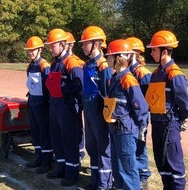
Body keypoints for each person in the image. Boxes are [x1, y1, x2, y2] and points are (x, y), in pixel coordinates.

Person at [145, 30, 188, 190]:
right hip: (157, 124)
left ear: (164, 51)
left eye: (154, 50)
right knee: (162, 164)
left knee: (175, 165)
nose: (151, 53)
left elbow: (186, 105)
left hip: (169, 125)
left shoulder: (175, 75)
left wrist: (177, 120)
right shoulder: (156, 73)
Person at [104, 39, 149, 190]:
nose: (107, 59)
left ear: (119, 58)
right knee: (118, 168)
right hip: (116, 129)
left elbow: (141, 107)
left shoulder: (128, 79)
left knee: (128, 170)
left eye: (109, 56)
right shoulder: (115, 78)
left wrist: (141, 128)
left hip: (126, 131)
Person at [44, 28, 83, 187]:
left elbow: (80, 88)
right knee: (57, 138)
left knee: (69, 140)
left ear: (62, 45)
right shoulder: (54, 63)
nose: (50, 48)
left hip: (67, 107)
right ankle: (61, 167)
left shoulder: (72, 63)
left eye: (53, 46)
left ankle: (72, 172)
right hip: (55, 105)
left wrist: (77, 107)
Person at [79, 26, 113, 190]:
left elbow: (108, 94)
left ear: (97, 44)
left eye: (86, 43)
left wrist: (107, 117)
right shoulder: (87, 65)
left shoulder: (104, 66)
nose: (83, 46)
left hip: (99, 113)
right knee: (91, 147)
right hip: (88, 111)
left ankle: (104, 184)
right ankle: (94, 181)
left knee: (103, 149)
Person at [24, 36, 53, 174]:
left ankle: (47, 161)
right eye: (29, 50)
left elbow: (49, 87)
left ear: (40, 49)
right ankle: (39, 157)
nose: (30, 52)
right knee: (35, 132)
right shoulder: (30, 66)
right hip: (33, 103)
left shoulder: (44, 66)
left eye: (33, 50)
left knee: (44, 132)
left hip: (42, 105)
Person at [126, 36, 152, 189]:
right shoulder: (126, 71)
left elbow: (148, 98)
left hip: (140, 116)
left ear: (135, 53)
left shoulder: (142, 73)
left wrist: (143, 118)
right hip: (128, 116)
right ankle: (133, 175)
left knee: (139, 146)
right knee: (131, 147)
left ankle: (143, 176)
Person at [65, 31, 86, 163]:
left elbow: (80, 86)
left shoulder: (77, 62)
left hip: (75, 103)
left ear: (71, 45)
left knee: (76, 127)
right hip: (64, 104)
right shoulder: (58, 61)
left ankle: (79, 152)